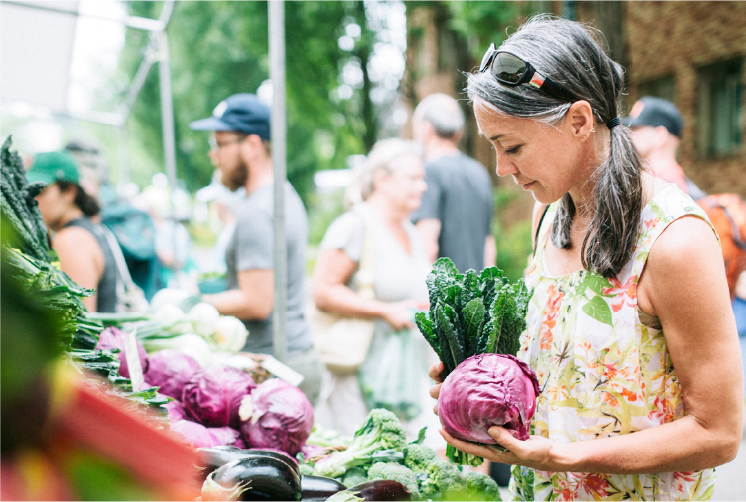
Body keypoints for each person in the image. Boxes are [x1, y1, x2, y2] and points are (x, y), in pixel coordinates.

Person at [428, 17, 743, 502]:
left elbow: (718, 433)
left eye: (512, 146)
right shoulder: (547, 215)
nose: (501, 168)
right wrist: (479, 379)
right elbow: (562, 366)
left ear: (579, 121)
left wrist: (565, 458)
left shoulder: (674, 240)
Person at [189, 93, 323, 404]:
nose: (213, 155)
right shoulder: (285, 196)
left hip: (274, 367)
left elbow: (257, 301)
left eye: (220, 144)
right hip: (296, 356)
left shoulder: (256, 211)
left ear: (251, 146)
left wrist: (193, 303)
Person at [312, 138, 440, 443]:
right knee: (362, 471)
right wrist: (385, 311)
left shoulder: (409, 228)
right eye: (413, 178)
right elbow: (323, 291)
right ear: (381, 179)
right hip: (357, 381)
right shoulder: (355, 225)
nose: (422, 187)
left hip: (403, 378)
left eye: (423, 179)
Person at [411, 92, 496, 272]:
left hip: (445, 295)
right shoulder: (479, 172)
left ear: (426, 129)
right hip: (475, 295)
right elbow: (488, 243)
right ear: (458, 132)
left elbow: (427, 245)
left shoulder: (428, 172)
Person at [28, 151, 119, 312]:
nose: (33, 200)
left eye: (40, 191)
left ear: (69, 191)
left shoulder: (70, 241)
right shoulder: (89, 229)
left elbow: (79, 326)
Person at [624, 96, 706, 200]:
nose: (627, 134)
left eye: (634, 128)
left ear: (659, 135)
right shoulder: (686, 190)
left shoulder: (661, 189)